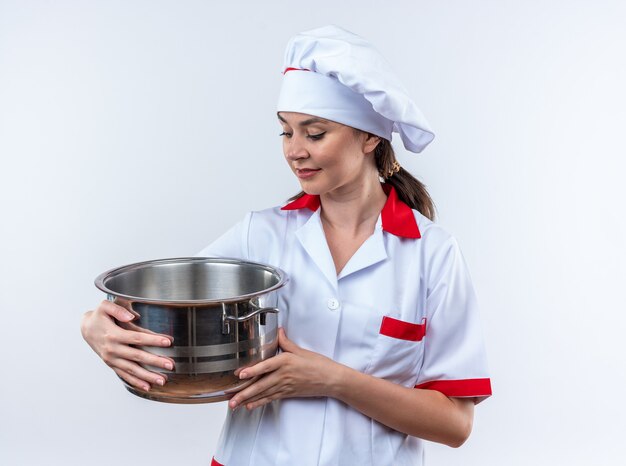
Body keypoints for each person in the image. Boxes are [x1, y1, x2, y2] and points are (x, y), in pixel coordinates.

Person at [81, 25, 491, 466]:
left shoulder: (433, 255)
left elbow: (455, 424)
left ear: (369, 137)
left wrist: (334, 380)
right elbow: (164, 309)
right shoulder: (259, 235)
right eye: (286, 132)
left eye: (314, 134)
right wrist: (94, 326)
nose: (295, 151)